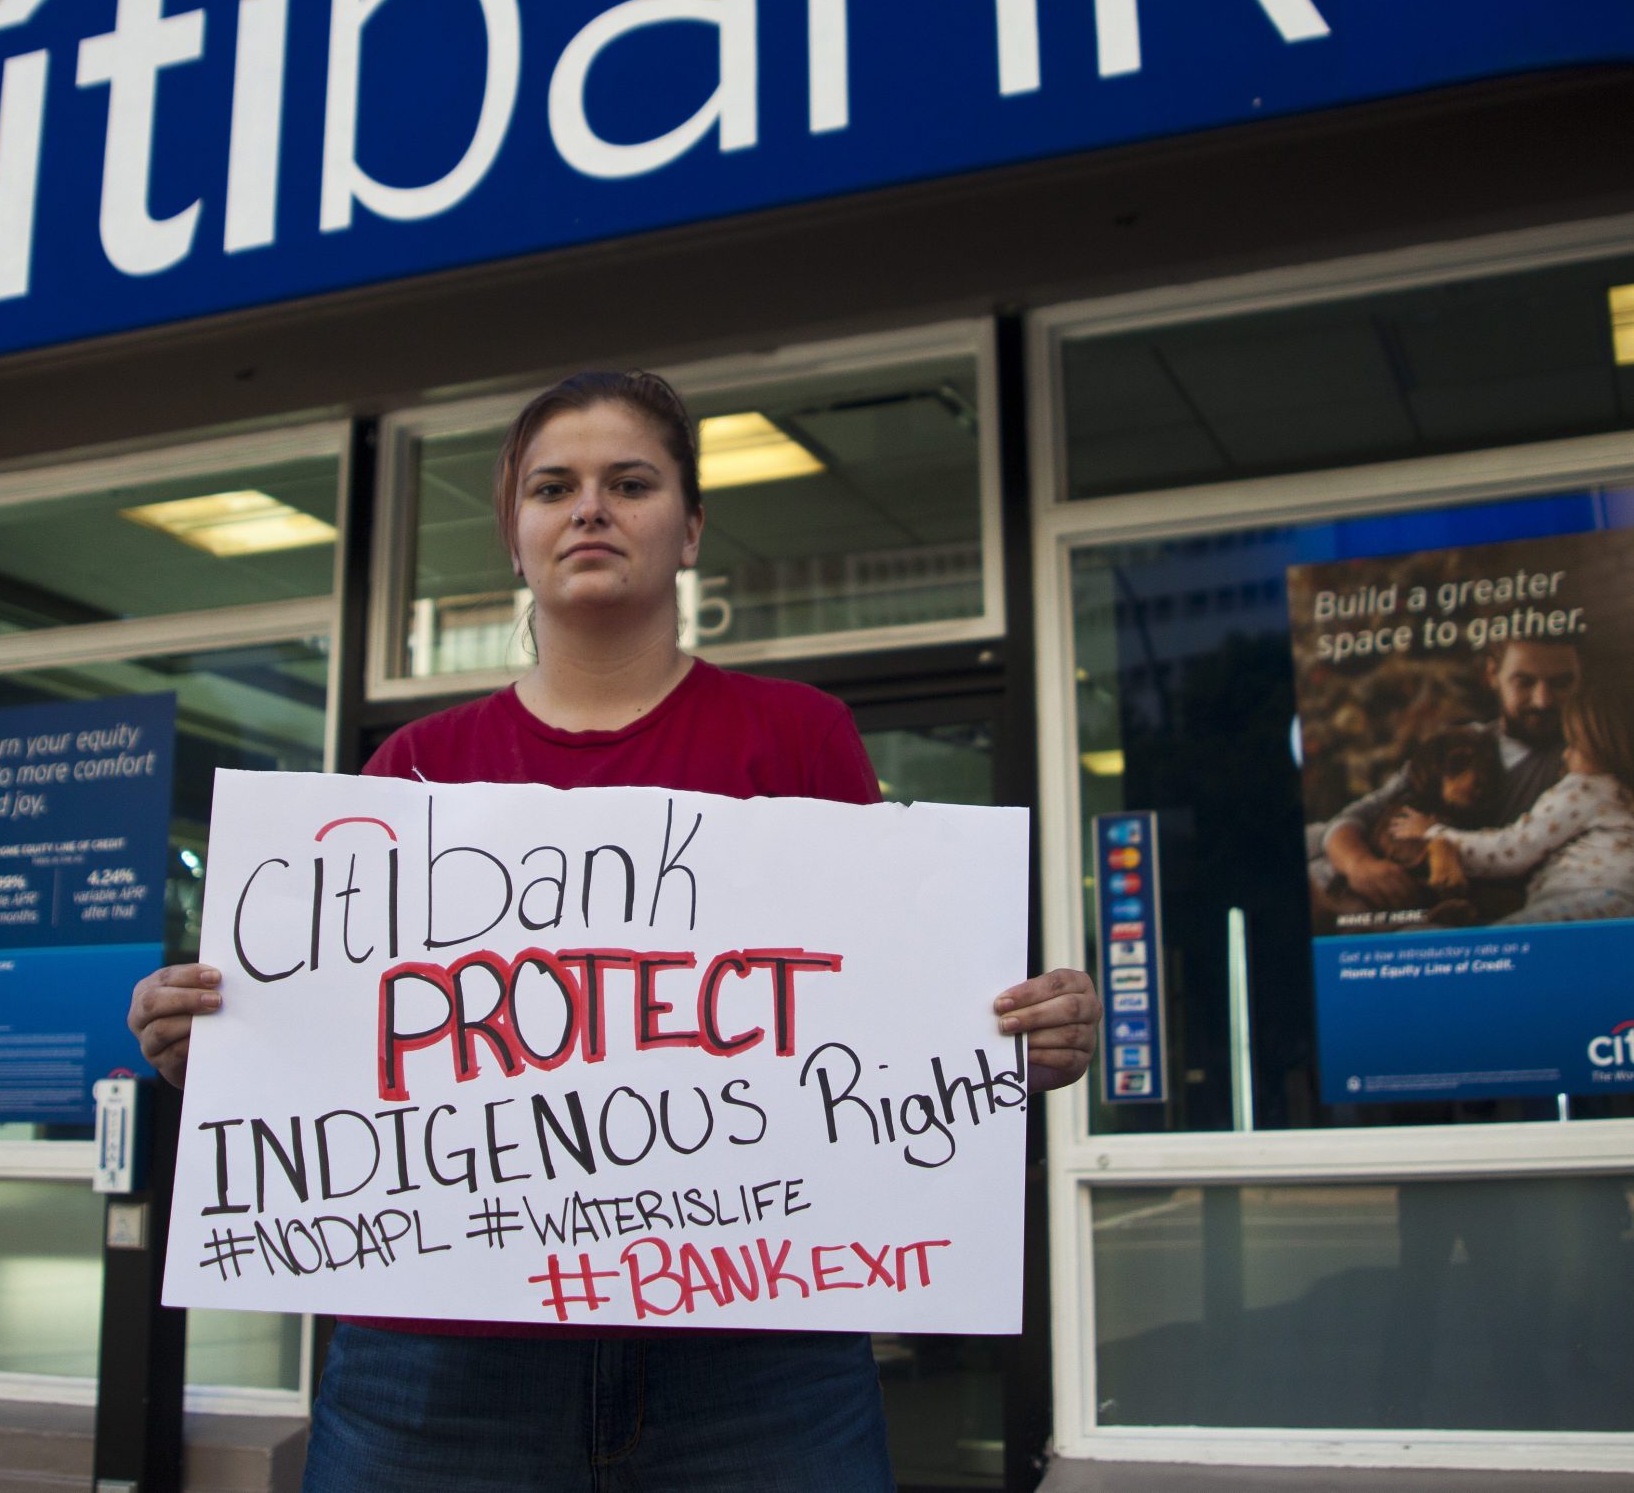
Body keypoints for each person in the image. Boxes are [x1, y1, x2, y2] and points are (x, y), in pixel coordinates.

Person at [127, 369, 1098, 1492]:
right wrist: (212, 1041)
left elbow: (884, 1024)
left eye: (628, 482)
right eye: (554, 486)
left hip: (755, 1365)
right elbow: (343, 1045)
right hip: (438, 1368)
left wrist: (1016, 1037)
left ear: (688, 529)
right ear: (516, 532)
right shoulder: (411, 771)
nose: (589, 508)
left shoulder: (798, 741)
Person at [1315, 636, 1585, 918]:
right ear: (1493, 675)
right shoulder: (1460, 743)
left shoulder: (1583, 761)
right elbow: (1354, 818)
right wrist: (1359, 865)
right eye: (1524, 682)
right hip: (1363, 880)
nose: (1543, 701)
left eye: (1561, 683)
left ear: (1580, 680)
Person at [1392, 687, 1634, 924]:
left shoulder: (1583, 789)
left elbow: (1510, 851)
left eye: (1573, 745)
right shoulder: (1632, 797)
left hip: (1599, 901)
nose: (1565, 756)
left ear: (1601, 745)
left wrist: (1434, 833)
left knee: (1498, 945)